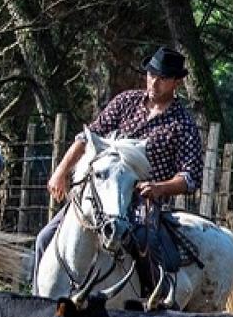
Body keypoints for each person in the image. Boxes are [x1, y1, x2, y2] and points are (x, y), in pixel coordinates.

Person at [34, 46, 204, 276]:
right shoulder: (125, 102)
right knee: (45, 239)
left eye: (162, 78)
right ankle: (38, 298)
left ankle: (155, 298)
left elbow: (190, 176)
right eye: (151, 75)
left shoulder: (183, 125)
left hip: (141, 200)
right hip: (100, 191)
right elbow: (88, 137)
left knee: (145, 243)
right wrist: (60, 172)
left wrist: (158, 188)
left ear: (176, 83)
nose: (154, 83)